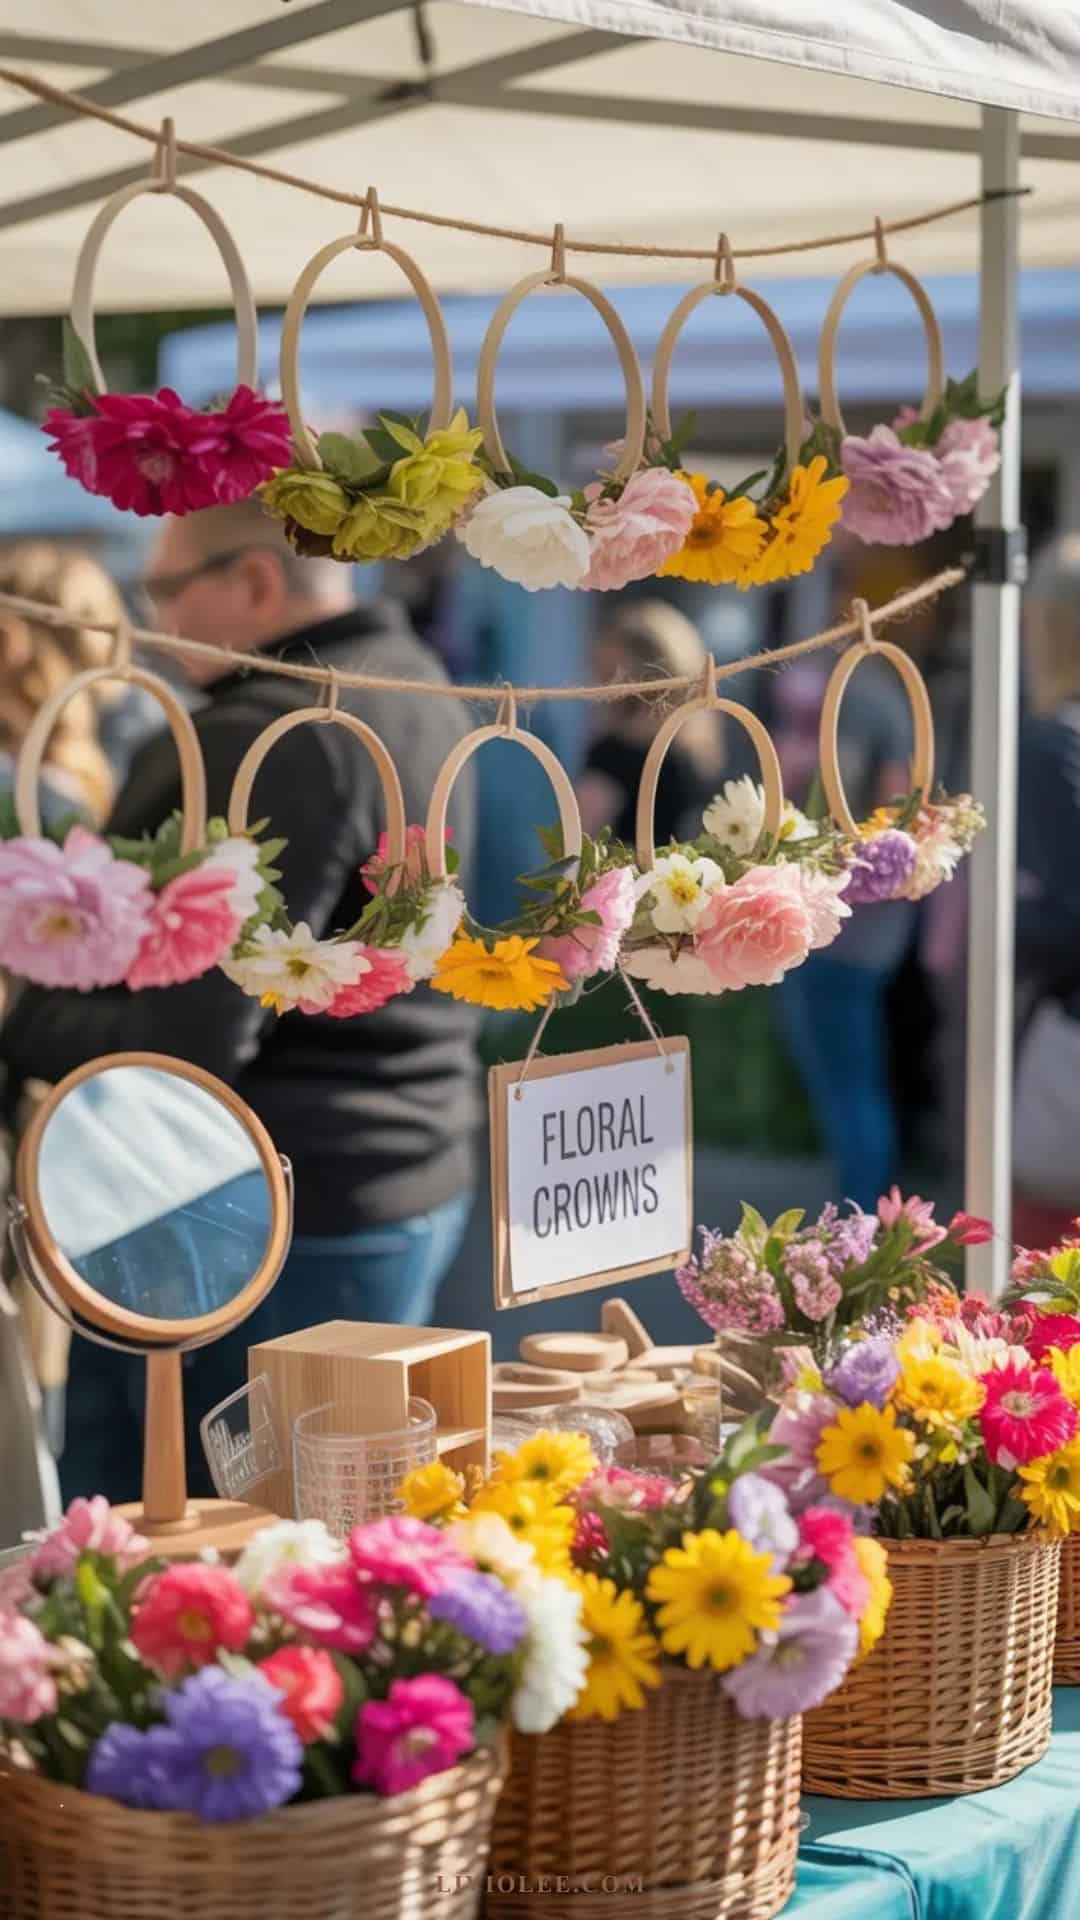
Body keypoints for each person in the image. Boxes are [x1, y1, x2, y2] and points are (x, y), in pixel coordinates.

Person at [0, 501, 480, 1502]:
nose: (153, 619)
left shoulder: (259, 734)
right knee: (343, 1528)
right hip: (408, 1174)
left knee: (195, 1556)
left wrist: (29, 1013)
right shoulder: (419, 686)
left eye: (168, 591)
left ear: (258, 584)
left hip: (245, 1226)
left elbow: (187, 1047)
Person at [1011, 535, 1080, 1246]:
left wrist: (1006, 926)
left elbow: (1068, 909)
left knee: (1046, 1258)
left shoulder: (1051, 743)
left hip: (1070, 1022)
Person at [578, 600, 723, 846]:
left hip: (627, 881)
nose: (599, 687)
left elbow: (578, 838)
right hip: (685, 881)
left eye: (606, 673)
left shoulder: (614, 753)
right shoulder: (697, 752)